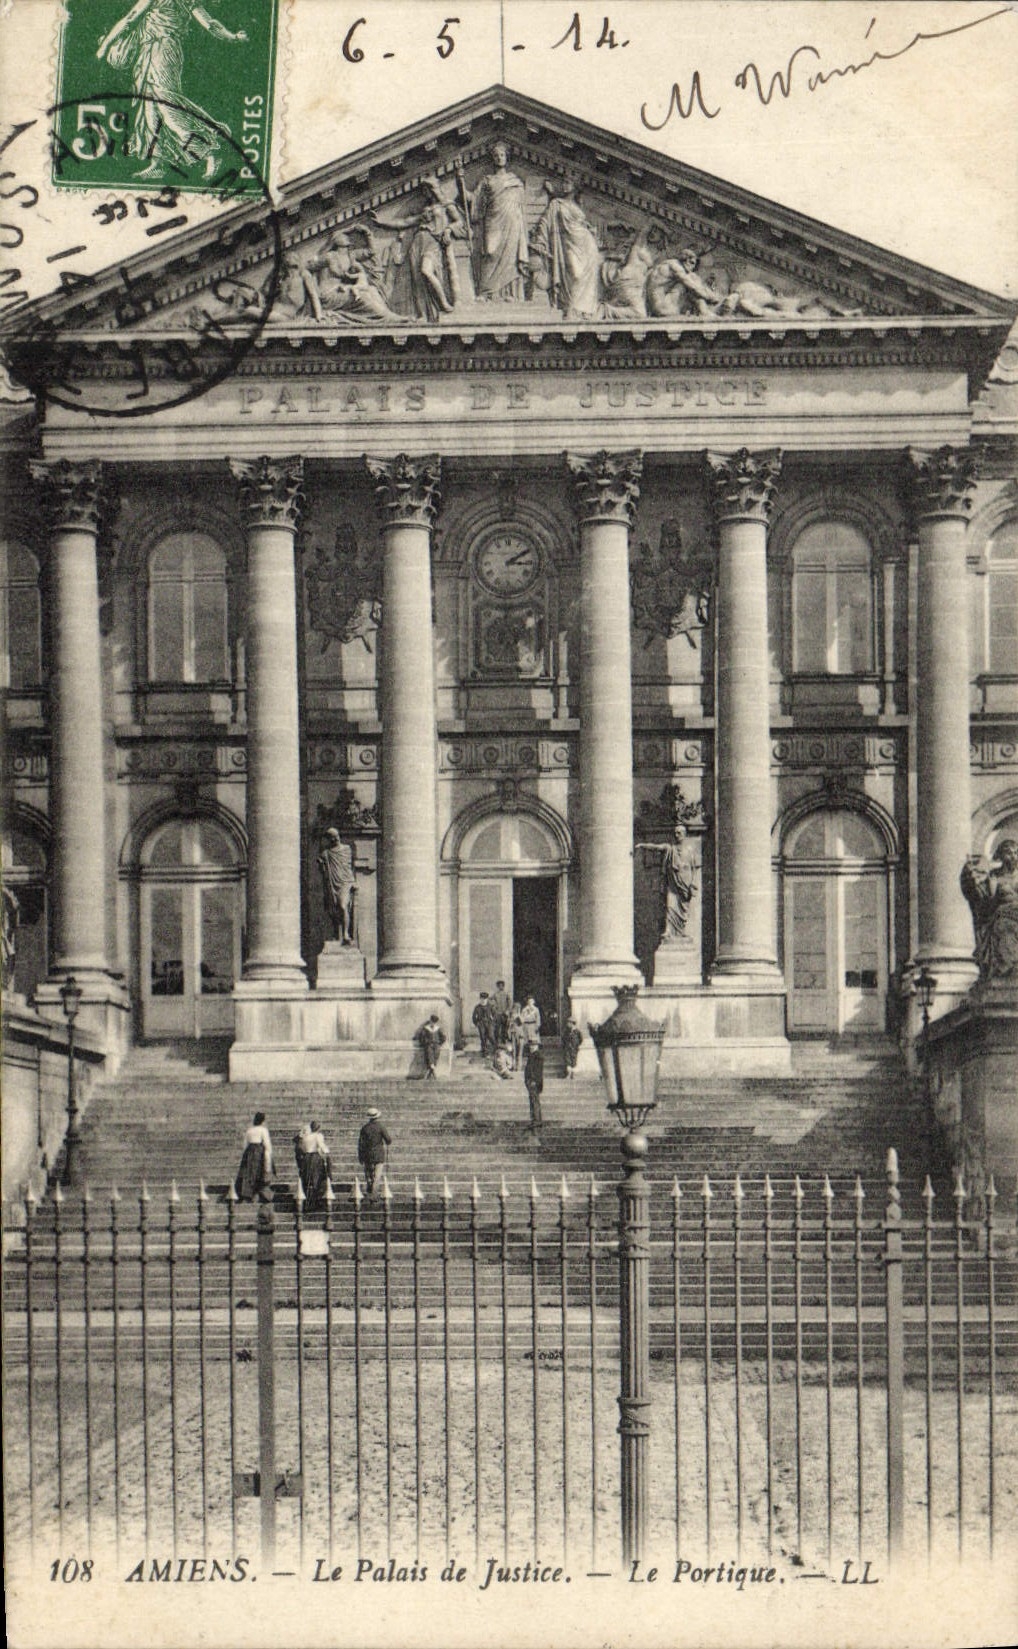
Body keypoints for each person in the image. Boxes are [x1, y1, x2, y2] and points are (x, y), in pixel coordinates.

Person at [96, 0, 247, 182]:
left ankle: (209, 151)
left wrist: (105, 45)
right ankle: (158, 163)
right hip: (154, 51)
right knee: (150, 107)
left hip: (161, 52)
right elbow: (210, 24)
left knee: (168, 107)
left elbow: (130, 17)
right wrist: (233, 36)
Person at [465, 142, 530, 301]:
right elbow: (474, 200)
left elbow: (521, 208)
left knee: (511, 257)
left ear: (507, 158)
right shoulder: (487, 180)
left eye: (502, 155)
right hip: (493, 220)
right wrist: (460, 184)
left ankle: (511, 293)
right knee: (490, 252)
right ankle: (487, 291)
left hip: (512, 223)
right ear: (492, 158)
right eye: (496, 155)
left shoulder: (516, 181)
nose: (499, 158)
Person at [530, 179, 601, 318]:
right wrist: (539, 240)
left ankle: (582, 310)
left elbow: (582, 223)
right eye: (564, 182)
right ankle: (571, 306)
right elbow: (546, 221)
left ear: (575, 187)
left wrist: (591, 230)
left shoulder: (576, 205)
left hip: (586, 245)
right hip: (568, 244)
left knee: (584, 276)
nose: (565, 185)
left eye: (568, 182)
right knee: (575, 273)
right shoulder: (556, 204)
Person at [961, 838, 1018, 981]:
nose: (1013, 857)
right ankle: (1007, 970)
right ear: (1001, 856)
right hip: (1002, 916)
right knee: (1004, 928)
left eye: (1016, 853)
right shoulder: (994, 877)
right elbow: (987, 901)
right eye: (1009, 853)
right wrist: (973, 881)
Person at [636, 822, 701, 941]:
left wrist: (693, 883)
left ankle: (682, 931)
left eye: (679, 833)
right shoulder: (669, 848)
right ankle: (669, 931)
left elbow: (694, 869)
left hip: (685, 884)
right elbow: (656, 847)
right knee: (670, 906)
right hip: (673, 884)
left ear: (685, 834)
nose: (677, 835)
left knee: (683, 910)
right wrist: (642, 845)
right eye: (675, 833)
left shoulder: (690, 851)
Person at [317, 828, 356, 945]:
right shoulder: (326, 853)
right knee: (333, 909)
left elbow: (349, 866)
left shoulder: (347, 849)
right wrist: (322, 864)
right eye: (333, 837)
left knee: (343, 906)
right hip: (332, 883)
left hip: (345, 882)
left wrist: (353, 881)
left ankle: (345, 934)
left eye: (337, 835)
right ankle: (336, 934)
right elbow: (322, 871)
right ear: (330, 839)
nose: (336, 838)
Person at [235, 1111, 273, 1202]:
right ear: (262, 1121)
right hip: (259, 1152)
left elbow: (244, 1144)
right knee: (259, 1173)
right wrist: (268, 1157)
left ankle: (247, 1194)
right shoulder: (263, 1130)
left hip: (249, 1152)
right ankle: (259, 1195)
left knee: (248, 1173)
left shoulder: (249, 1130)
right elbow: (267, 1144)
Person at [294, 1119, 330, 1212]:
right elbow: (321, 1146)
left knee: (307, 1179)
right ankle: (315, 1200)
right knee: (316, 1179)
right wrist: (326, 1152)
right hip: (315, 1158)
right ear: (318, 1128)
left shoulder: (306, 1137)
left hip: (306, 1158)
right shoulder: (318, 1136)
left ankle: (308, 1200)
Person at [357, 1107, 391, 1197]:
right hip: (378, 1154)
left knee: (369, 1174)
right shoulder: (381, 1127)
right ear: (377, 1116)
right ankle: (374, 1194)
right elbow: (388, 1140)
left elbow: (360, 1144)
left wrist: (360, 1157)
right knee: (377, 1175)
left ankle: (369, 1187)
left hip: (367, 1154)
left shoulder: (364, 1128)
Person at [523, 1039, 544, 1132]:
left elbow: (538, 1071)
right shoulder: (532, 1055)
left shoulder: (538, 1056)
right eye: (530, 1045)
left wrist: (535, 1080)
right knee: (533, 1100)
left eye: (534, 1045)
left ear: (537, 1046)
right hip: (530, 1081)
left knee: (534, 1100)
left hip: (533, 1081)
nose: (531, 1047)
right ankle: (535, 1119)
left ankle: (537, 1120)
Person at [416, 1013, 446, 1079]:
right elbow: (422, 1037)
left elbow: (443, 1037)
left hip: (436, 1044)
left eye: (434, 1022)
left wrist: (439, 1043)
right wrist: (425, 1042)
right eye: (432, 1022)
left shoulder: (438, 1029)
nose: (433, 1024)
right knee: (429, 1054)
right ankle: (432, 1071)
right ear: (430, 1021)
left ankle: (431, 1070)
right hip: (429, 1044)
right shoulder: (426, 1028)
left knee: (436, 1055)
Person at [489, 980, 512, 1046]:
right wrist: (494, 1006)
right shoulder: (495, 994)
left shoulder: (506, 994)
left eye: (502, 986)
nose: (501, 987)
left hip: (505, 1014)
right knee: (497, 1028)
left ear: (503, 986)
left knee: (505, 1028)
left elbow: (510, 1003)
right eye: (499, 986)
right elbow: (490, 1000)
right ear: (497, 986)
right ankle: (496, 1042)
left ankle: (504, 1040)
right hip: (498, 1013)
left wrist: (508, 1010)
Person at [472, 991, 494, 1058]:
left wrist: (492, 1021)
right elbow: (473, 1016)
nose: (483, 1000)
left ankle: (494, 1049)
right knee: (483, 1037)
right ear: (480, 999)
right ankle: (485, 1052)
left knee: (490, 1036)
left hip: (489, 1023)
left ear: (487, 999)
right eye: (482, 999)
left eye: (485, 999)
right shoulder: (477, 1007)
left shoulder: (490, 1006)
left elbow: (495, 1014)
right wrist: (476, 1023)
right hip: (481, 1024)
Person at [509, 1004, 525, 1071]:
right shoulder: (511, 1017)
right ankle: (513, 1066)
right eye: (515, 1008)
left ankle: (519, 1067)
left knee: (520, 1052)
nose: (516, 1009)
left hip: (520, 1035)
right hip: (513, 1034)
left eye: (518, 1008)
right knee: (513, 1051)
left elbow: (522, 1021)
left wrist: (518, 1015)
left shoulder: (521, 1015)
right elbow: (509, 1026)